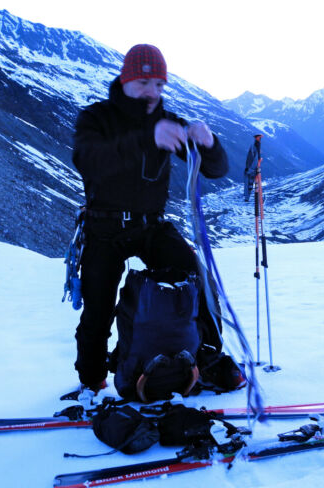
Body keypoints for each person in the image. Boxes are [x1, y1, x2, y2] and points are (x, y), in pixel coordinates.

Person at [72, 44, 229, 393]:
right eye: (144, 82)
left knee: (197, 280)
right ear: (126, 80)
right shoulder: (96, 118)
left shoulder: (168, 123)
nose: (153, 92)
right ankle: (92, 381)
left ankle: (205, 360)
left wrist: (209, 143)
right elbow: (88, 160)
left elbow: (217, 169)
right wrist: (147, 139)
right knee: (98, 308)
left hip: (150, 225)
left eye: (159, 85)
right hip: (104, 226)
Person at [243, 134, 262, 202]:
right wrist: (250, 168)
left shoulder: (255, 147)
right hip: (252, 169)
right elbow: (251, 159)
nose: (260, 139)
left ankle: (247, 197)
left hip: (252, 169)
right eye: (259, 138)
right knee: (249, 184)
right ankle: (247, 198)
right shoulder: (254, 147)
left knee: (250, 184)